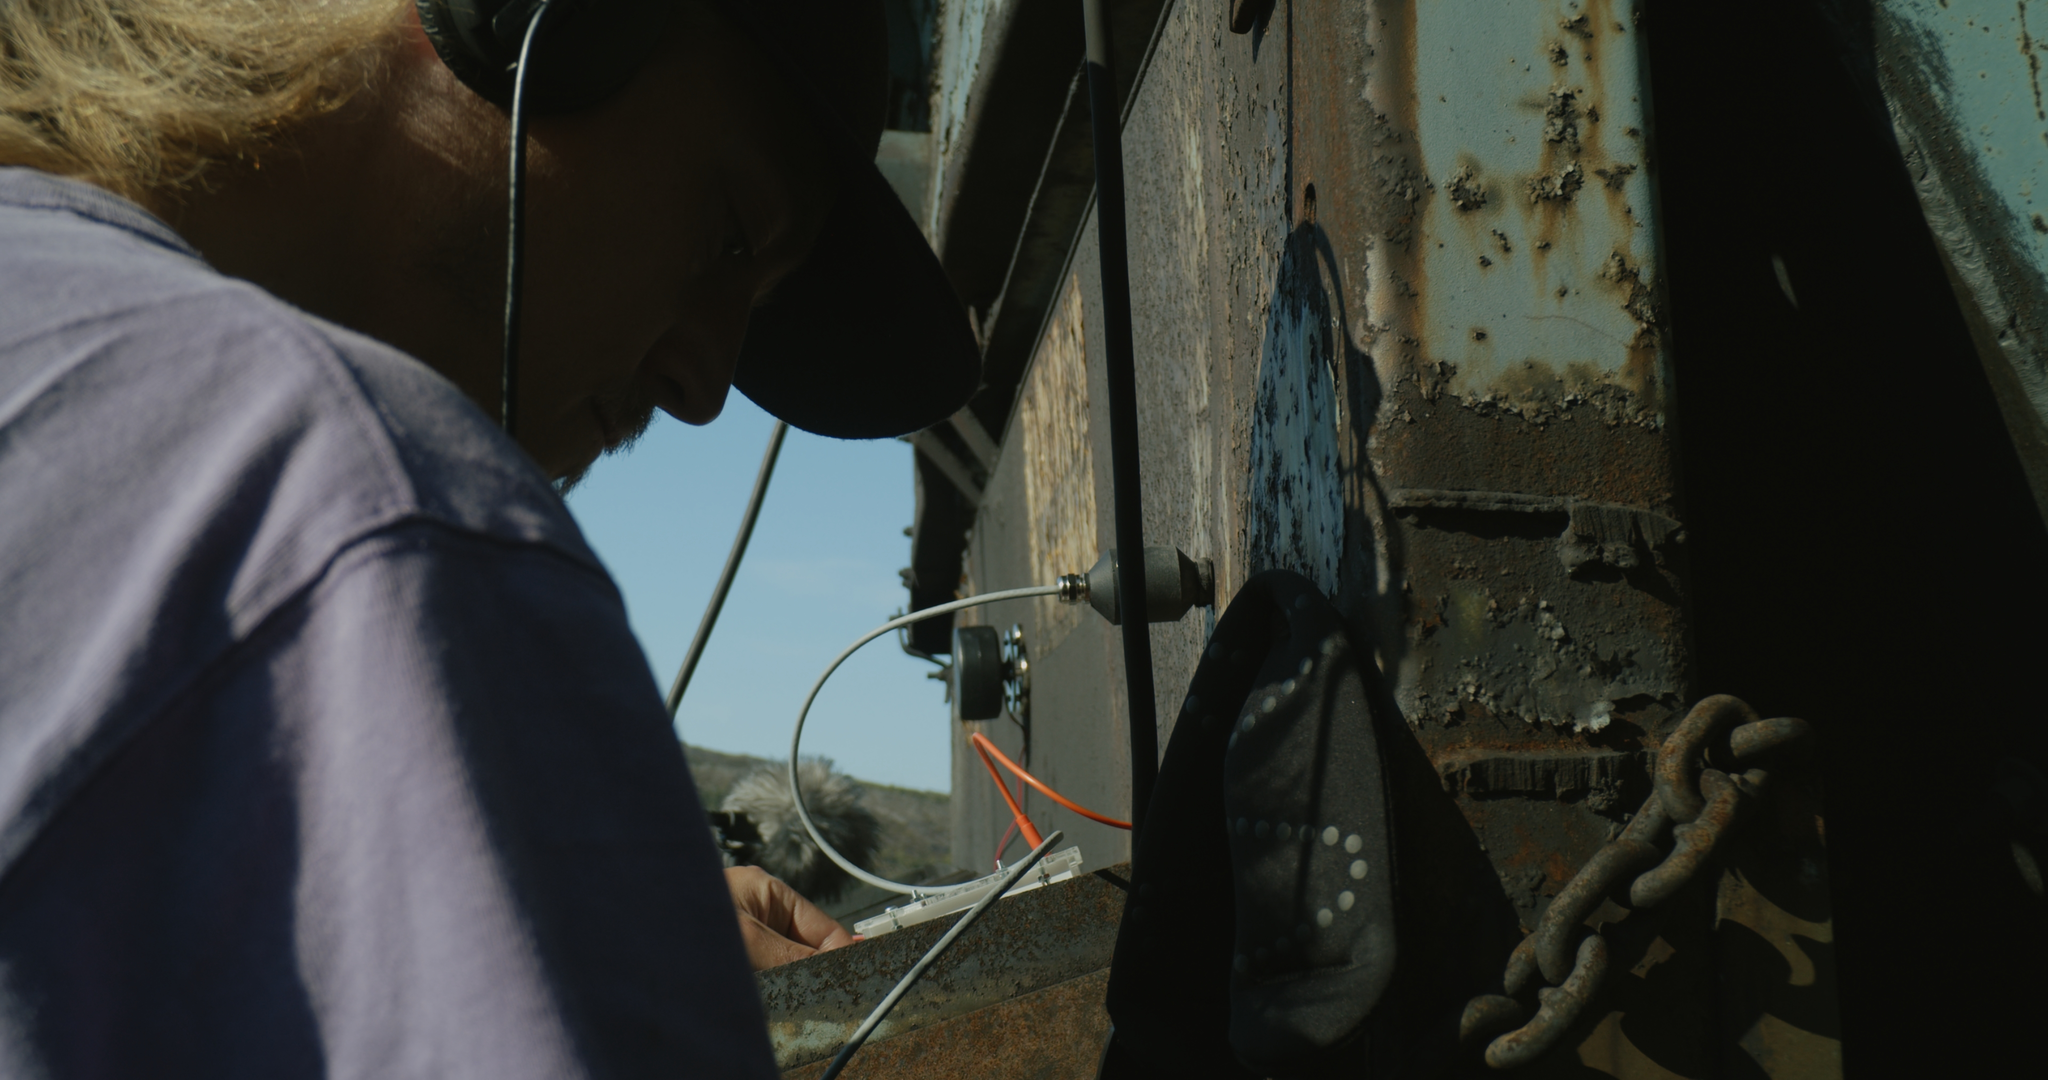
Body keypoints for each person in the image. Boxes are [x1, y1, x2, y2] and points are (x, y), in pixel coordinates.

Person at [0, 0, 978, 1075]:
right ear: (516, 21)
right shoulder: (369, 498)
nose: (702, 385)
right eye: (729, 233)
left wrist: (492, 911)